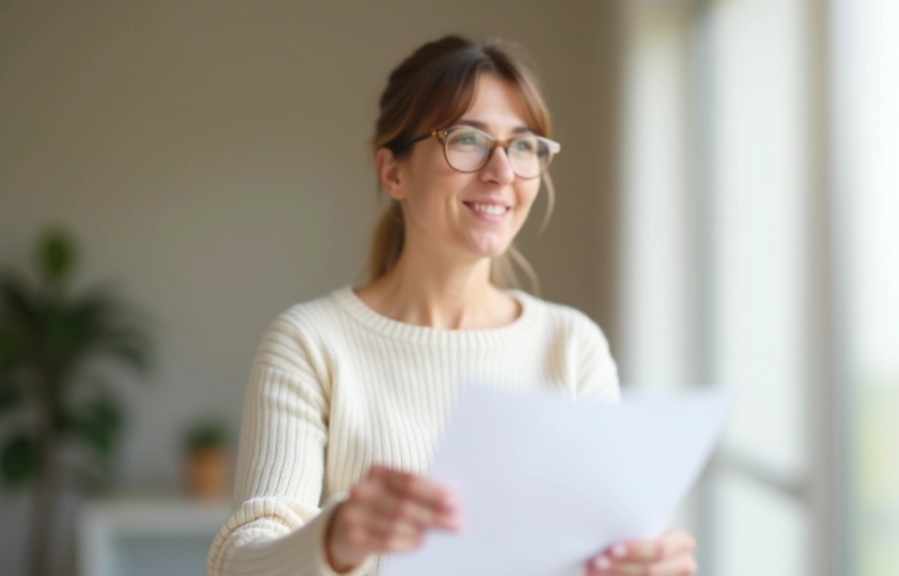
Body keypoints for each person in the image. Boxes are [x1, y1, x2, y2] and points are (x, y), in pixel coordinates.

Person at [207, 35, 698, 576]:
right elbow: (238, 564)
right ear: (393, 172)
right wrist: (337, 538)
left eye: (523, 146)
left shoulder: (572, 347)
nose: (502, 172)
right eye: (468, 140)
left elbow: (598, 549)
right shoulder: (311, 343)